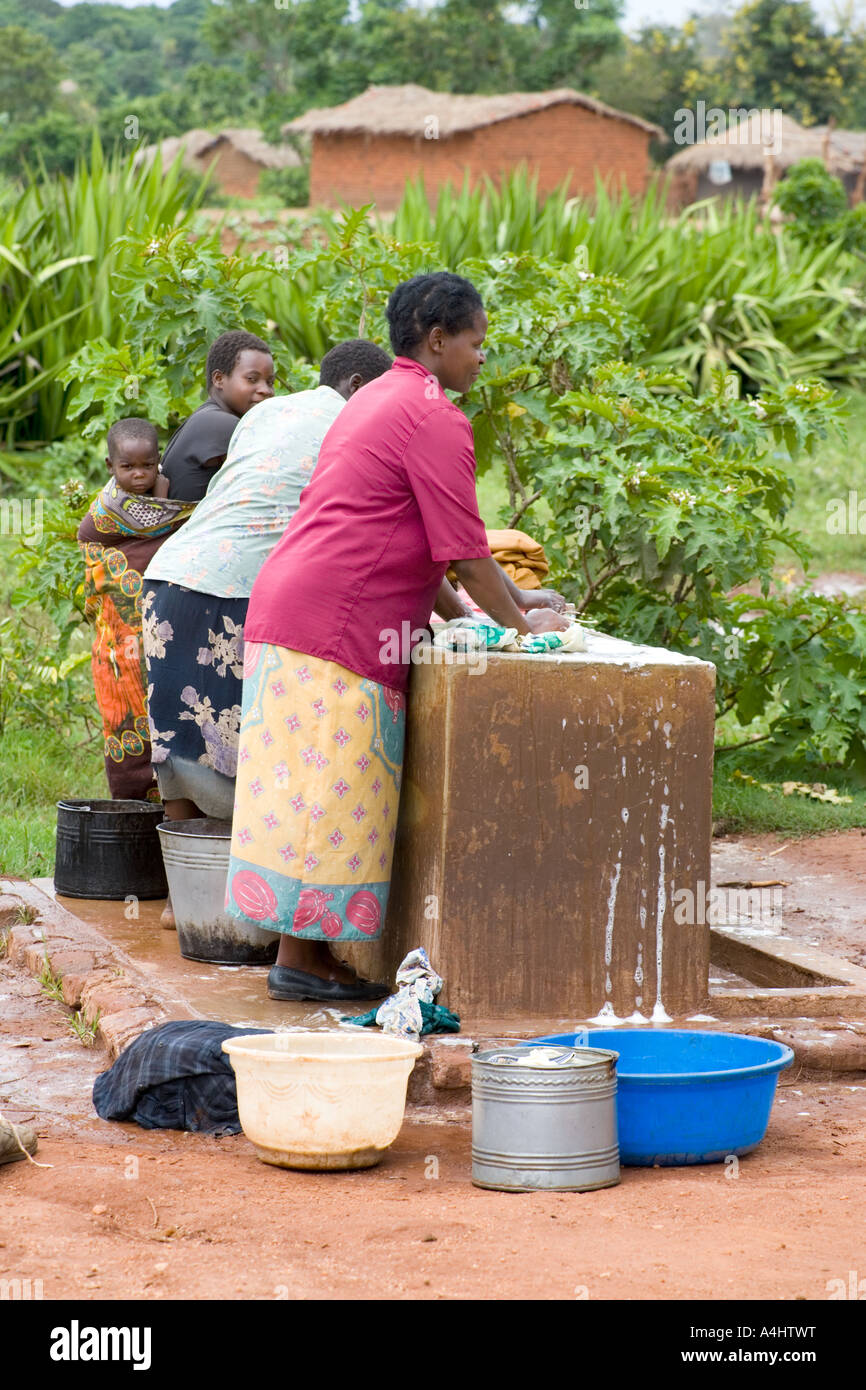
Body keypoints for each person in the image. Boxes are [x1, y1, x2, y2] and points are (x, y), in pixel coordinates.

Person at [225, 271, 568, 1003]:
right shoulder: (435, 416)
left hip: (294, 609)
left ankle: (301, 957)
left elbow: (418, 541)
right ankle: (301, 965)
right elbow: (468, 555)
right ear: (439, 340)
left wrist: (491, 609)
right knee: (331, 792)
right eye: (477, 343)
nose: (483, 356)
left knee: (302, 794)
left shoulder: (376, 398)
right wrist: (523, 629)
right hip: (338, 625)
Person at [77, 418, 195, 801]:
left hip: (164, 627)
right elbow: (95, 559)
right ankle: (130, 810)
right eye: (128, 467)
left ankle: (178, 811)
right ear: (111, 467)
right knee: (127, 716)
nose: (139, 474)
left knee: (173, 711)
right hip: (120, 637)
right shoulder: (104, 513)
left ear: (159, 461)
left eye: (147, 465)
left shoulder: (172, 500)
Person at [155, 330, 275, 502]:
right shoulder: (218, 423)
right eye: (252, 379)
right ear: (219, 379)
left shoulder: (208, 416)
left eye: (270, 382)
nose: (265, 390)